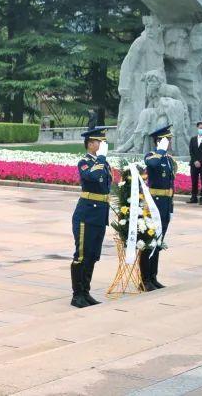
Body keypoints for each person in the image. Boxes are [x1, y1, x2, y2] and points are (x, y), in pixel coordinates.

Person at [70, 127, 112, 308]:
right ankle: (77, 295)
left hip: (99, 214)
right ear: (91, 144)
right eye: (99, 142)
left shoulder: (103, 163)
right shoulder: (85, 162)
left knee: (93, 255)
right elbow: (93, 177)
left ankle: (85, 292)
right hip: (86, 215)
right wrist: (101, 158)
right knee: (82, 255)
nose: (103, 145)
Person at [142, 125, 176, 291]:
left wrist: (171, 207)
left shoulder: (169, 160)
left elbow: (171, 183)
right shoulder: (152, 155)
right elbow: (152, 164)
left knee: (158, 242)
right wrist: (161, 150)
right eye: (166, 140)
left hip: (165, 204)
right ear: (159, 141)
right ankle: (145, 279)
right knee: (149, 241)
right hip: (153, 203)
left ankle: (153, 277)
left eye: (169, 140)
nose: (169, 142)